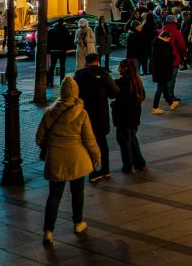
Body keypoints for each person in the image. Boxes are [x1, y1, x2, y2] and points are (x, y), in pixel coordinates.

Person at [36, 76, 100, 246]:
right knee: (77, 192)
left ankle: (48, 232)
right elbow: (89, 139)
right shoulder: (82, 112)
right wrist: (96, 156)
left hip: (56, 158)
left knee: (54, 195)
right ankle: (78, 223)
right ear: (76, 92)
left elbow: (39, 138)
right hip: (77, 158)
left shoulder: (50, 112)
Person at [74, 52, 118, 182]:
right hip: (101, 112)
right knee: (102, 142)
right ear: (97, 61)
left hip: (86, 113)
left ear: (86, 62)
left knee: (88, 142)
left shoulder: (80, 76)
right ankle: (106, 170)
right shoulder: (104, 75)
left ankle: (93, 171)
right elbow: (114, 92)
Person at [113, 58, 147, 173]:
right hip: (134, 117)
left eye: (121, 67)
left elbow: (119, 99)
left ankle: (128, 165)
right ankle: (140, 163)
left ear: (126, 68)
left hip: (123, 118)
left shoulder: (122, 83)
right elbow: (143, 96)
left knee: (124, 141)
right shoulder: (137, 82)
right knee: (132, 139)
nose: (119, 69)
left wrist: (114, 104)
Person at [151, 21, 186, 114]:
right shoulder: (161, 44)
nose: (169, 41)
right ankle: (155, 107)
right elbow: (168, 56)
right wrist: (173, 57)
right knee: (160, 88)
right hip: (161, 70)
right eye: (168, 39)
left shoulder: (157, 43)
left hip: (159, 70)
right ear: (165, 37)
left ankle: (170, 103)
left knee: (164, 87)